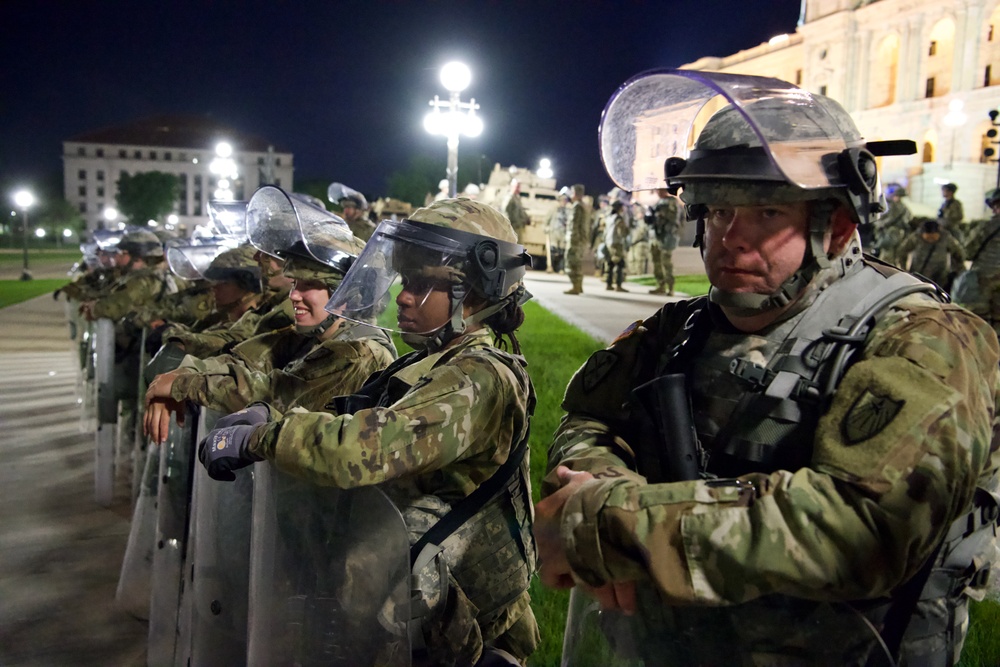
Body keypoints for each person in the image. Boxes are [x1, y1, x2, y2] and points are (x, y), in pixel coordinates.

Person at [535, 69, 1000, 666]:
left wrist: (619, 526)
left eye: (765, 216)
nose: (731, 240)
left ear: (835, 225)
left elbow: (864, 525)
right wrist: (597, 478)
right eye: (719, 213)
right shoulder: (678, 330)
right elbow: (588, 420)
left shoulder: (928, 340)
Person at [197, 198, 539, 666]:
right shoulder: (423, 363)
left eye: (421, 284)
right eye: (405, 280)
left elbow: (366, 448)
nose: (401, 295)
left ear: (475, 295)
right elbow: (347, 416)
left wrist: (265, 437)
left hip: (462, 640)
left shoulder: (483, 378)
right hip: (402, 613)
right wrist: (265, 412)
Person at [143, 219, 395, 442]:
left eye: (309, 285)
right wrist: (181, 374)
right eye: (294, 283)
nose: (294, 295)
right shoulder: (309, 336)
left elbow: (279, 394)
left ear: (348, 292)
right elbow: (243, 358)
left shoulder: (360, 353)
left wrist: (185, 384)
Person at [955, 188, 1000, 335]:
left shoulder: (986, 226)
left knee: (979, 322)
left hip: (984, 278)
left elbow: (968, 251)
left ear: (995, 206)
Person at [897, 217, 966, 291]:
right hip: (918, 277)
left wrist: (957, 271)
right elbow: (902, 251)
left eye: (933, 237)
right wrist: (904, 270)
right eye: (929, 237)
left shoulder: (946, 238)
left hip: (940, 279)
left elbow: (959, 254)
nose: (931, 239)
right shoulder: (916, 237)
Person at [647, 188, 683, 295]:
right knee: (656, 261)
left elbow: (674, 218)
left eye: (659, 190)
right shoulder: (658, 202)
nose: (657, 192)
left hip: (667, 236)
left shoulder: (671, 202)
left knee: (666, 262)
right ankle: (660, 285)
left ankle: (670, 287)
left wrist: (662, 214)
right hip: (656, 236)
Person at [874, 184, 914, 266]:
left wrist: (880, 225)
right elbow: (909, 218)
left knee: (887, 256)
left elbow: (888, 219)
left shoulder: (895, 206)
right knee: (895, 256)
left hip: (891, 233)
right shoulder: (904, 208)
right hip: (900, 233)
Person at [564, 183, 588, 294]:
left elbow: (574, 225)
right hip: (580, 240)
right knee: (577, 262)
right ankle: (578, 286)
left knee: (572, 262)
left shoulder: (577, 207)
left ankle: (575, 286)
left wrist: (572, 241)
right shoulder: (583, 206)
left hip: (575, 240)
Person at [604, 200, 629, 292]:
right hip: (616, 243)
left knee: (610, 263)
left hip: (609, 242)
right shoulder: (618, 218)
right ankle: (618, 285)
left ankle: (608, 283)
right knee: (619, 263)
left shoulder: (609, 217)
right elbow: (621, 232)